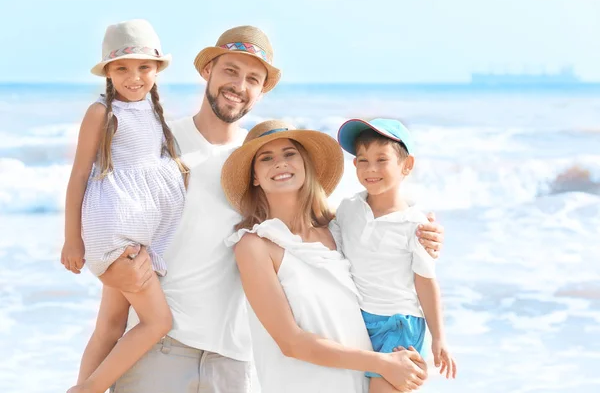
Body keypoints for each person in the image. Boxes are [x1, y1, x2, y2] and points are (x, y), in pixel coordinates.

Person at [88, 25, 444, 393]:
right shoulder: (159, 144)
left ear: (261, 91)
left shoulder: (261, 158)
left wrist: (419, 230)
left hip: (236, 360)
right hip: (163, 350)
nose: (239, 86)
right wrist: (109, 272)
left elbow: (341, 230)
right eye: (230, 71)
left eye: (253, 79)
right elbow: (108, 219)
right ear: (207, 69)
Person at [222, 119, 431, 392]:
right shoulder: (254, 245)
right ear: (254, 177)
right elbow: (291, 342)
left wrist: (427, 232)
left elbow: (395, 257)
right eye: (266, 158)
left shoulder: (339, 228)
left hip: (361, 384)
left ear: (306, 165)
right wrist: (382, 363)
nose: (280, 163)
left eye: (290, 154)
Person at [60, 19, 188, 393]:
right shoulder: (102, 113)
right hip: (114, 233)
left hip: (135, 232)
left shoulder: (153, 110)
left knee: (111, 327)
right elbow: (79, 175)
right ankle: (87, 389)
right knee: (157, 322)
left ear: (158, 69)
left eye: (144, 67)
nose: (134, 78)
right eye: (122, 68)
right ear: (109, 72)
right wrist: (72, 240)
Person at [333, 118, 457, 393]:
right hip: (358, 320)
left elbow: (426, 282)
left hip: (399, 324)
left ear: (406, 165)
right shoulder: (348, 208)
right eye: (363, 160)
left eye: (382, 159)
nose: (371, 168)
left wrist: (439, 338)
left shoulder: (416, 225)